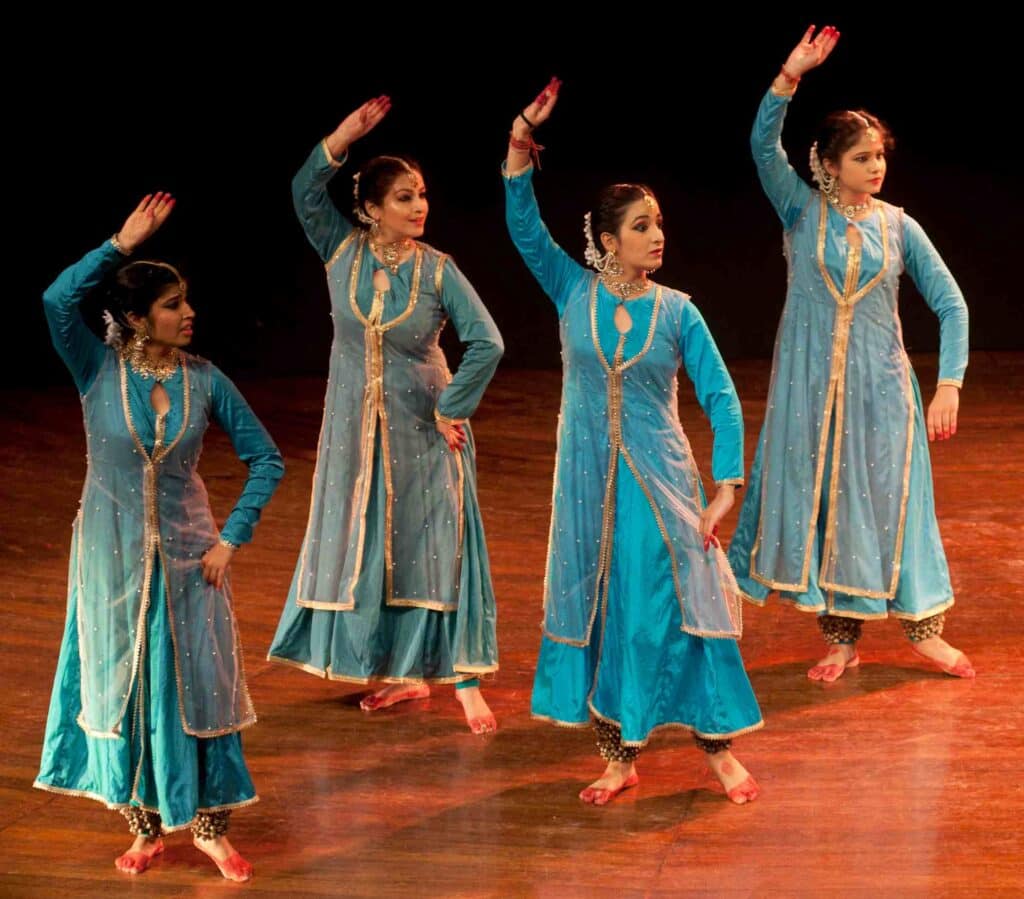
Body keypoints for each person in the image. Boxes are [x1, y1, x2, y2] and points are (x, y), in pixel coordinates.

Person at [504, 79, 762, 806]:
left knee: (668, 608)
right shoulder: (571, 290)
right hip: (587, 485)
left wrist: (725, 487)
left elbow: (720, 397)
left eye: (659, 224)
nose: (658, 235)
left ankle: (716, 748)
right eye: (643, 226)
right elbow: (523, 225)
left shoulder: (680, 311)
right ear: (608, 239)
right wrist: (521, 137)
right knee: (603, 608)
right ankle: (618, 755)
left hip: (661, 481)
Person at [34, 193, 285, 881]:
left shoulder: (206, 380)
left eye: (186, 301)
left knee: (200, 688)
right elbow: (59, 299)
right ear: (138, 317)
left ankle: (210, 828)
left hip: (190, 559)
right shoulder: (97, 370)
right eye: (173, 304)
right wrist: (117, 244)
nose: (188, 312)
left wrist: (231, 537)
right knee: (124, 684)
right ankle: (144, 824)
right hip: (110, 561)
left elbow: (267, 458)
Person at [728, 26, 974, 682]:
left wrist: (947, 383)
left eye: (879, 157)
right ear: (829, 163)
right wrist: (790, 75)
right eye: (862, 157)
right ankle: (841, 637)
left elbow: (952, 304)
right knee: (830, 509)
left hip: (882, 391)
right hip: (810, 392)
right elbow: (760, 145)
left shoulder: (899, 226)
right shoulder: (800, 211)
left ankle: (925, 631)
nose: (876, 167)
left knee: (891, 505)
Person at [269, 96, 504, 734]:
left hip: (425, 426)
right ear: (370, 209)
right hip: (355, 428)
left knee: (437, 545)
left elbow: (488, 341)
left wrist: (452, 408)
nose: (419, 205)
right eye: (403, 197)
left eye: (421, 193)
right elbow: (302, 191)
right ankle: (402, 674)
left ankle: (462, 681)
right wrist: (343, 134)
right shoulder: (340, 252)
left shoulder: (438, 270)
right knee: (373, 543)